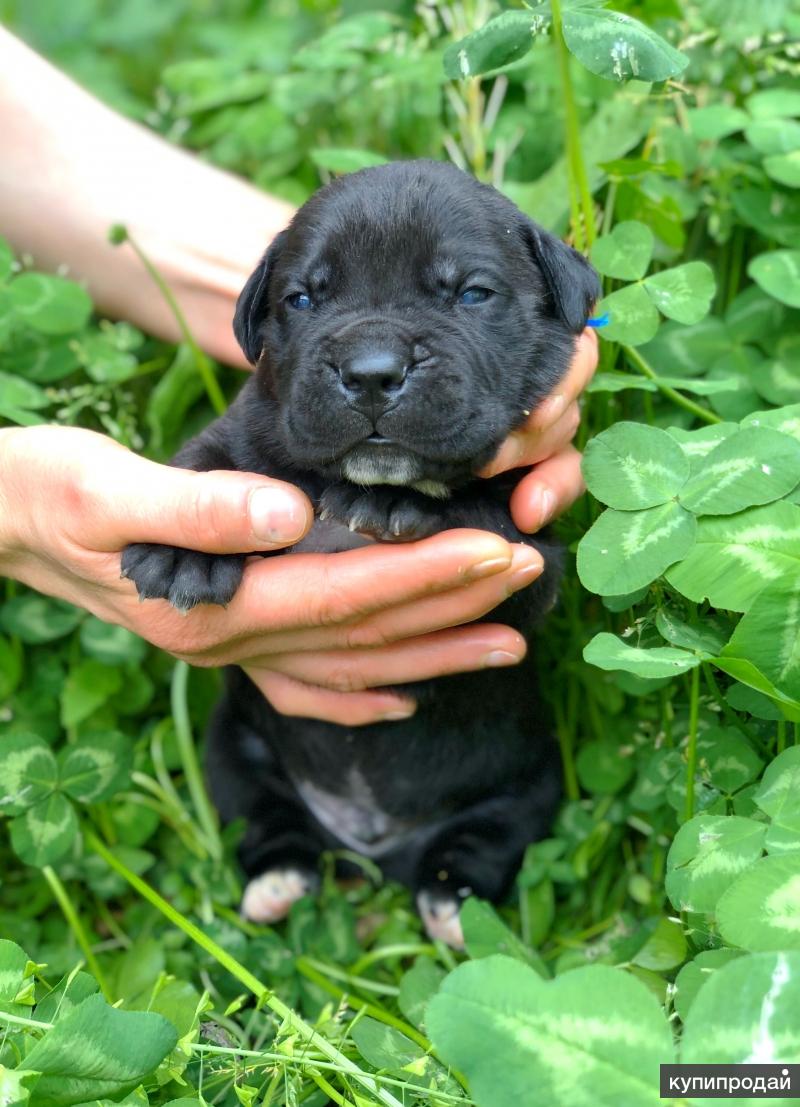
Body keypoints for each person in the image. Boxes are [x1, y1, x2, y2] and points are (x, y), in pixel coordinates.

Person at [0, 26, 598, 727]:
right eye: (306, 300)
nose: (374, 364)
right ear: (259, 328)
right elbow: (216, 463)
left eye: (469, 294)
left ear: (561, 300)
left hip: (474, 793)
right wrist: (179, 528)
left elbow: (524, 582)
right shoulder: (267, 424)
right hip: (274, 773)